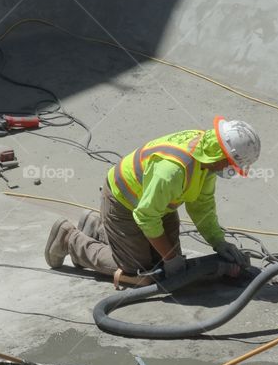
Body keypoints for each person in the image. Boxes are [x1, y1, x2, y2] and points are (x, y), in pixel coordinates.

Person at [45, 118, 260, 285]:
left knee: (164, 263)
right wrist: (170, 257)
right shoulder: (174, 170)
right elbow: (146, 217)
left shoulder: (206, 159)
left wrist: (218, 241)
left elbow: (201, 206)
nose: (228, 169)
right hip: (124, 202)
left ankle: (98, 227)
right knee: (143, 273)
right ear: (221, 155)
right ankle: (69, 239)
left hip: (159, 205)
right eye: (230, 163)